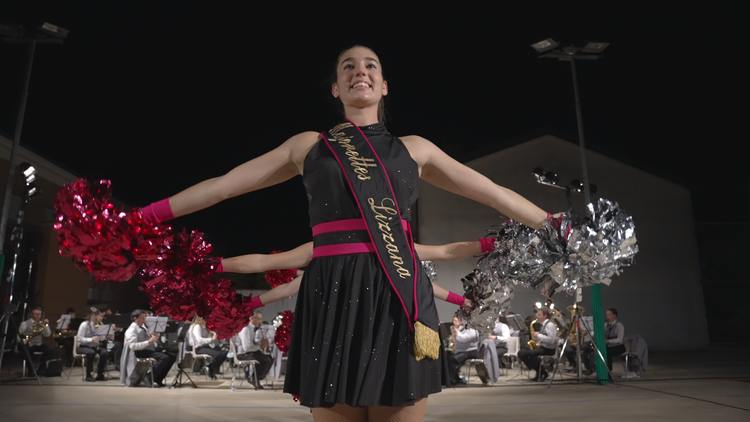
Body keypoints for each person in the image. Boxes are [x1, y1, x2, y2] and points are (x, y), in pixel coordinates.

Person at [139, 45, 551, 420]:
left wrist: (558, 227)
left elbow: (494, 193)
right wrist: (140, 220)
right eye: (348, 66)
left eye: (371, 64)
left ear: (384, 85)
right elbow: (223, 185)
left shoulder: (416, 149)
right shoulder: (308, 146)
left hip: (398, 293)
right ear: (336, 88)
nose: (360, 71)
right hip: (331, 292)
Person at [123, 309, 176, 387]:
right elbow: (133, 346)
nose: (144, 319)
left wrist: (153, 335)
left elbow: (149, 338)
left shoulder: (143, 327)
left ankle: (158, 378)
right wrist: (149, 342)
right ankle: (148, 376)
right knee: (164, 357)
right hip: (140, 352)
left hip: (148, 349)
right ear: (135, 318)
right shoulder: (131, 330)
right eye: (142, 317)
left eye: (144, 317)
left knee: (172, 356)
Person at [518, 307, 557, 381]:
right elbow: (545, 337)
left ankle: (542, 372)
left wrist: (537, 335)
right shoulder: (543, 325)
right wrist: (538, 342)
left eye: (539, 315)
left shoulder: (550, 325)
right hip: (543, 347)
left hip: (549, 349)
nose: (537, 316)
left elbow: (551, 340)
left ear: (545, 316)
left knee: (527, 354)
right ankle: (539, 371)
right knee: (522, 352)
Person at [582, 308, 625, 375]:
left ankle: (608, 371)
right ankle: (590, 368)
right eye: (607, 315)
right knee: (586, 350)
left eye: (610, 315)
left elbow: (620, 339)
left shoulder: (619, 325)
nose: (608, 316)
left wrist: (608, 341)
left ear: (615, 315)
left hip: (618, 346)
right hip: (607, 345)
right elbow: (598, 332)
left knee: (606, 351)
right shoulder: (606, 325)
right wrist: (588, 333)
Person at [236, 312, 274, 388]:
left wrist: (261, 342)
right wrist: (261, 346)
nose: (260, 321)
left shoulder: (251, 329)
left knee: (269, 358)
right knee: (266, 359)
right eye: (259, 319)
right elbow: (247, 348)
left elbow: (252, 343)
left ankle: (255, 377)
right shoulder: (246, 329)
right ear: (252, 318)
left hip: (249, 353)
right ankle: (254, 378)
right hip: (243, 354)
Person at [76, 307, 109, 381]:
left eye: (97, 315)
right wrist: (91, 339)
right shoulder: (84, 324)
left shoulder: (98, 324)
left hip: (94, 346)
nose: (96, 317)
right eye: (94, 315)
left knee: (104, 352)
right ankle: (88, 375)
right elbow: (79, 338)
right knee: (91, 353)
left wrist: (101, 334)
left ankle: (100, 374)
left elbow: (102, 339)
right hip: (83, 346)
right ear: (90, 315)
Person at [18, 306, 52, 375]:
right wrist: (24, 342)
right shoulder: (24, 323)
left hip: (38, 344)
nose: (39, 316)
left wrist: (46, 325)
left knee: (50, 350)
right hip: (28, 344)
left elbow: (47, 334)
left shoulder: (41, 323)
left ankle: (41, 370)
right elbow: (19, 337)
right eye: (37, 314)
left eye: (40, 314)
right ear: (31, 315)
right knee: (28, 351)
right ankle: (31, 371)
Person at [446, 316, 480, 385]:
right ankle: (455, 378)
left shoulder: (473, 331)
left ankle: (451, 379)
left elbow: (462, 339)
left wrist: (457, 331)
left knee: (452, 359)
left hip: (470, 352)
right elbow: (455, 340)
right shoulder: (462, 329)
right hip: (461, 351)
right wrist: (453, 332)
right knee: (446, 356)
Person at [481, 317, 510, 383]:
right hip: (493, 347)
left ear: (497, 319)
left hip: (502, 347)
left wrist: (496, 337)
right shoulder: (490, 327)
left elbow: (507, 338)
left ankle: (492, 374)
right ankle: (486, 373)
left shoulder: (503, 326)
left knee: (491, 355)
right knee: (483, 354)